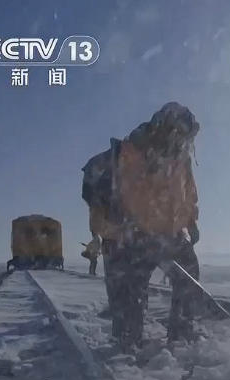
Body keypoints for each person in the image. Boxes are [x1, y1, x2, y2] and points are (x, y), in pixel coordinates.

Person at [84, 102, 201, 350]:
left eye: (185, 137)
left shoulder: (181, 160)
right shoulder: (125, 155)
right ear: (162, 128)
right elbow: (98, 203)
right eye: (177, 133)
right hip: (125, 241)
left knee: (188, 277)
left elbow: (188, 195)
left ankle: (181, 335)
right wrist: (116, 231)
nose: (180, 141)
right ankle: (127, 344)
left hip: (166, 236)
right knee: (128, 305)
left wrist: (191, 223)